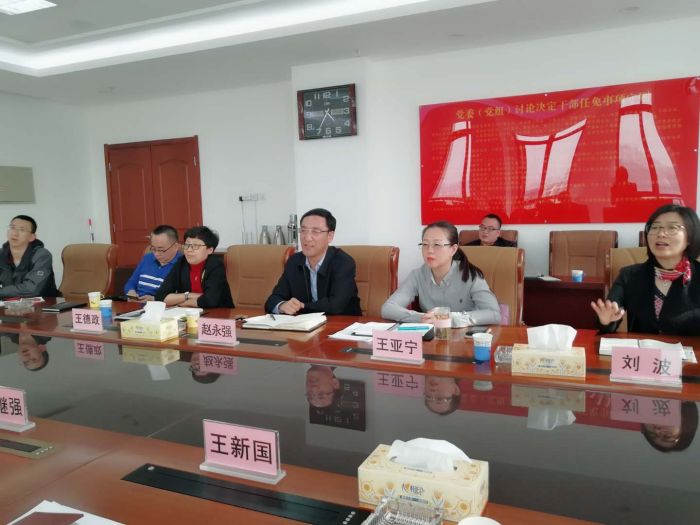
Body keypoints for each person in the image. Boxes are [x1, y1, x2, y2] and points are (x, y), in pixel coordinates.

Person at [591, 204, 700, 335]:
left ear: (690, 237)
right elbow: (608, 320)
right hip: (641, 348)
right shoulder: (629, 275)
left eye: (672, 227)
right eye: (654, 227)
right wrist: (606, 321)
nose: (660, 233)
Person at [381, 221, 501, 324]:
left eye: (437, 245)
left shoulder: (471, 275)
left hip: (465, 339)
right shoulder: (417, 275)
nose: (429, 250)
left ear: (453, 249)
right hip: (433, 338)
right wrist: (422, 318)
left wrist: (448, 319)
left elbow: (494, 314)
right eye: (425, 244)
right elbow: (388, 308)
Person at [265, 208, 361, 315]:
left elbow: (335, 305)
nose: (307, 238)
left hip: (342, 322)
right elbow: (273, 299)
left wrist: (302, 306)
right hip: (305, 324)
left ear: (330, 236)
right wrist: (282, 305)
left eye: (315, 231)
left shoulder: (343, 263)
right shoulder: (294, 261)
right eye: (303, 230)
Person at [155, 226, 234, 308]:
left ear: (209, 250)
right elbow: (160, 296)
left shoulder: (216, 266)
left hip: (219, 313)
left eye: (195, 245)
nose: (189, 250)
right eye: (187, 245)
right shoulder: (181, 263)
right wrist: (188, 295)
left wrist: (183, 302)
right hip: (188, 312)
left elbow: (210, 300)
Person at [0, 215, 60, 298]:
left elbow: (31, 289)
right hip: (11, 303)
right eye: (12, 228)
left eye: (22, 230)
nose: (15, 233)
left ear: (32, 237)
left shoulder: (42, 255)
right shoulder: (1, 254)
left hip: (45, 302)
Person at [124, 224, 182, 301]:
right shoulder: (147, 258)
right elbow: (131, 282)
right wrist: (131, 293)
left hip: (162, 306)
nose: (156, 254)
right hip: (137, 303)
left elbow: (181, 296)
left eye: (161, 250)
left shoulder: (182, 264)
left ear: (175, 247)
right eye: (153, 249)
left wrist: (154, 299)